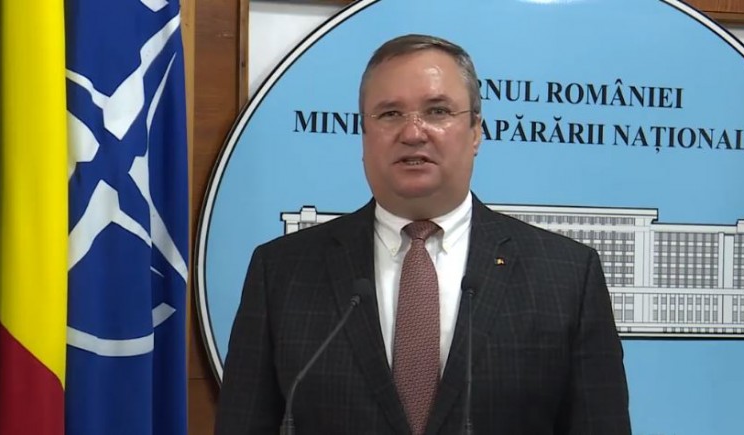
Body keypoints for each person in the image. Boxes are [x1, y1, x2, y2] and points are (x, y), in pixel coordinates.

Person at [215, 34, 631, 434]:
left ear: (476, 132)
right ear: (364, 135)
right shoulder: (282, 272)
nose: (413, 132)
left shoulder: (566, 276)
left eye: (437, 111)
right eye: (390, 114)